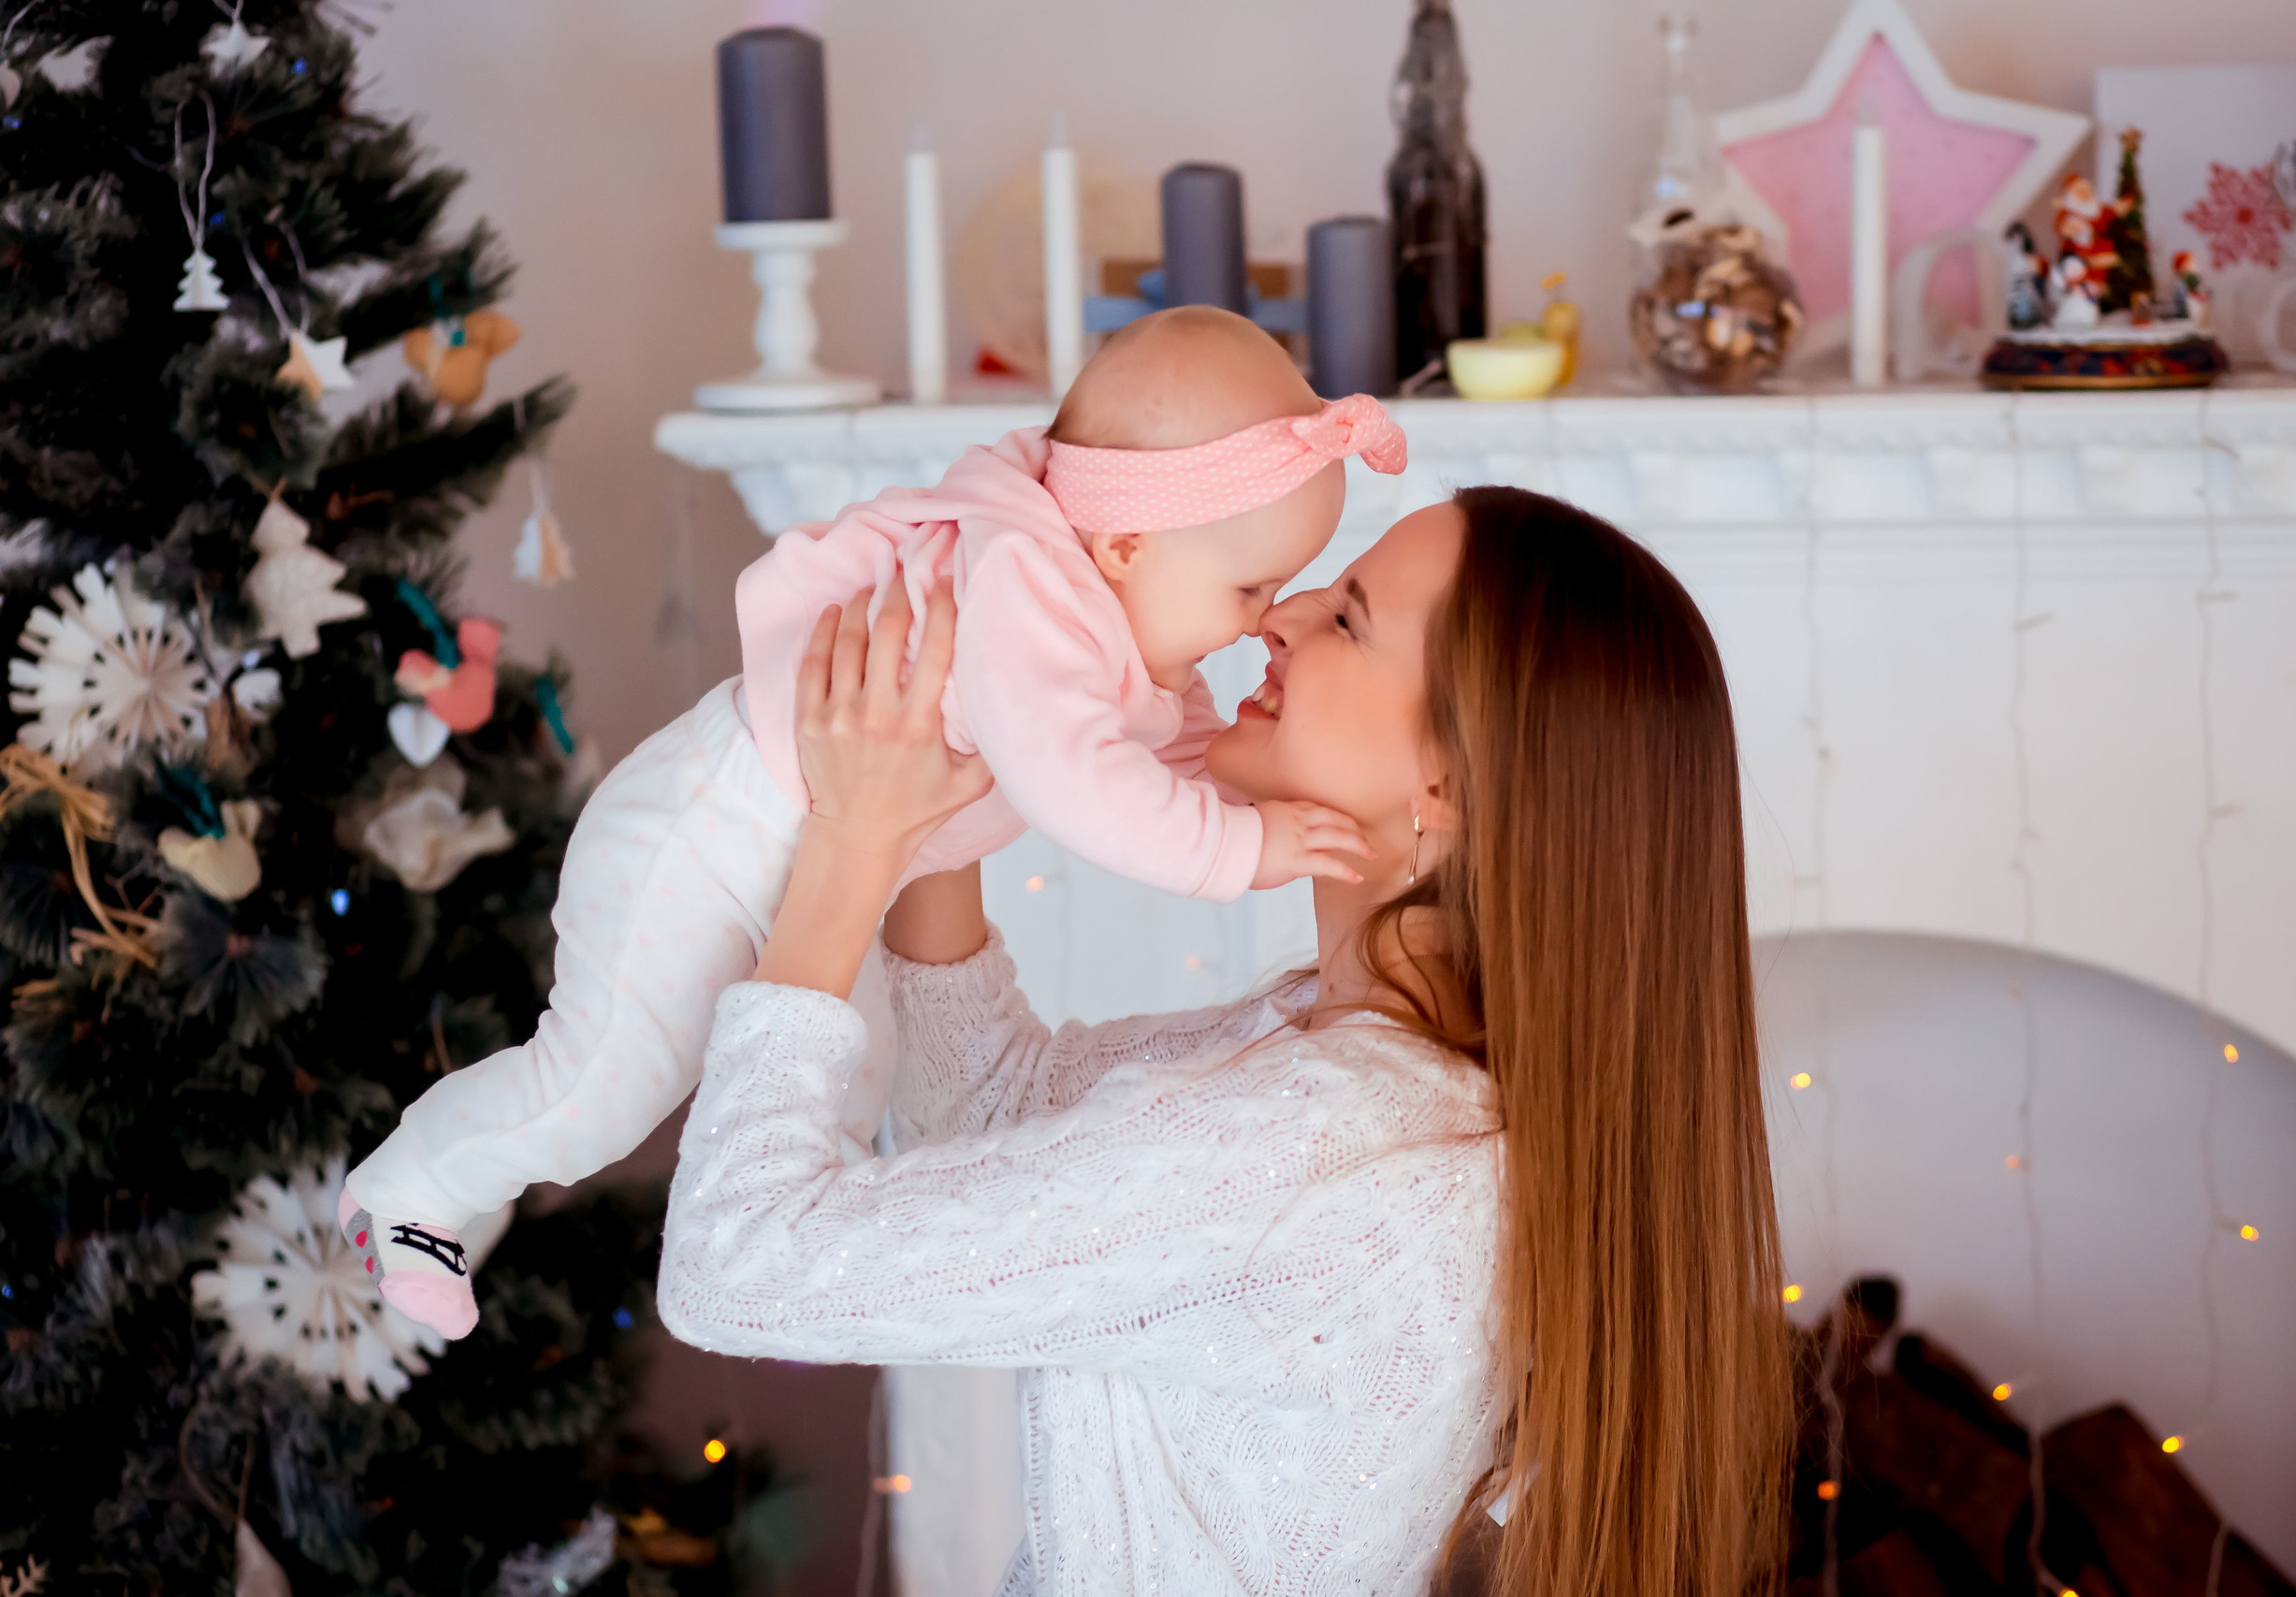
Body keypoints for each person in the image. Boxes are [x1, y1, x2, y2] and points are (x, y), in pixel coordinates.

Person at [658, 486, 1793, 1597]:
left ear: (1446, 783)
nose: (1278, 617)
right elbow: (997, 1110)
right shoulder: (1385, 1081)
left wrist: (849, 851)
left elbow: (738, 1266)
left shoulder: (1316, 1149)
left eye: (1346, 617)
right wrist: (952, 756)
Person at [339, 308, 1400, 1336]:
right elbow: (1082, 784)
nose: (1264, 619)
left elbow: (1168, 753)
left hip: (816, 867)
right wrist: (1246, 848)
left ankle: (813, 1230)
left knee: (849, 1081)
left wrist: (1270, 799)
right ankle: (406, 1192)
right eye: (1253, 586)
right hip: (703, 840)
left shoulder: (1100, 619)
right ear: (1124, 544)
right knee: (602, 1084)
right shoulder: (1028, 591)